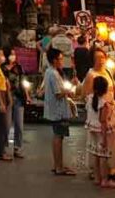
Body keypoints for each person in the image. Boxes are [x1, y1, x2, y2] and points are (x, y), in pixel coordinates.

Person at [43, 47, 76, 176]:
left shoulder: (51, 72)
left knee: (58, 136)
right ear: (54, 60)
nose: (62, 61)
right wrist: (71, 88)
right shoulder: (53, 74)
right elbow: (58, 94)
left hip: (56, 109)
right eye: (60, 59)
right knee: (58, 136)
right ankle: (58, 166)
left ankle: (59, 164)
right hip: (58, 110)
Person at [87, 75, 115, 189]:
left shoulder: (90, 99)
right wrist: (104, 138)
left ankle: (97, 178)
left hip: (92, 130)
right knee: (104, 156)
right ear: (105, 90)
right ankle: (105, 180)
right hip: (101, 132)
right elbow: (103, 121)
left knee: (96, 154)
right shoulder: (103, 104)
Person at [6, 49, 26, 158]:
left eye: (14, 54)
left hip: (18, 97)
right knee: (7, 124)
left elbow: (22, 82)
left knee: (19, 124)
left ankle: (17, 147)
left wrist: (26, 95)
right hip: (6, 98)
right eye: (11, 54)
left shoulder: (19, 67)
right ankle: (4, 147)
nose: (13, 56)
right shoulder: (2, 68)